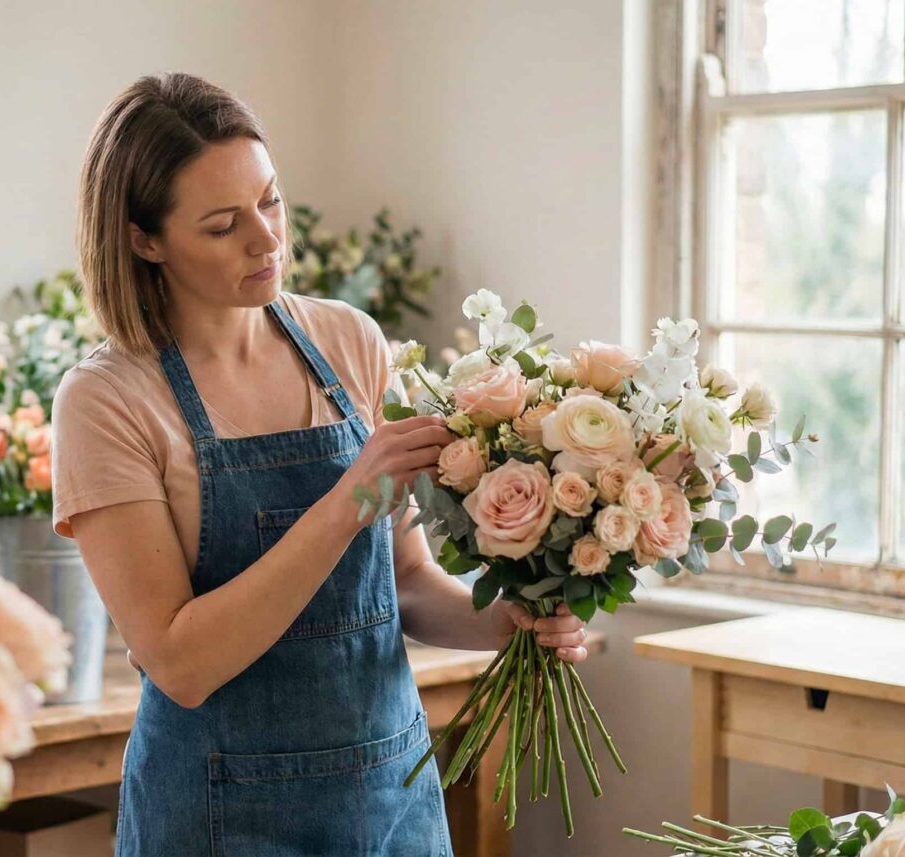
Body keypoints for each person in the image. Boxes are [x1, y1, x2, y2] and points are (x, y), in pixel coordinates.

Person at [51, 71, 588, 856]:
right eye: (222, 223)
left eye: (270, 200)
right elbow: (182, 662)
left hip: (393, 796)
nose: (267, 239)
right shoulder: (107, 401)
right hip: (220, 816)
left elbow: (404, 584)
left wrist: (513, 621)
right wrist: (347, 504)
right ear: (144, 238)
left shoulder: (347, 342)